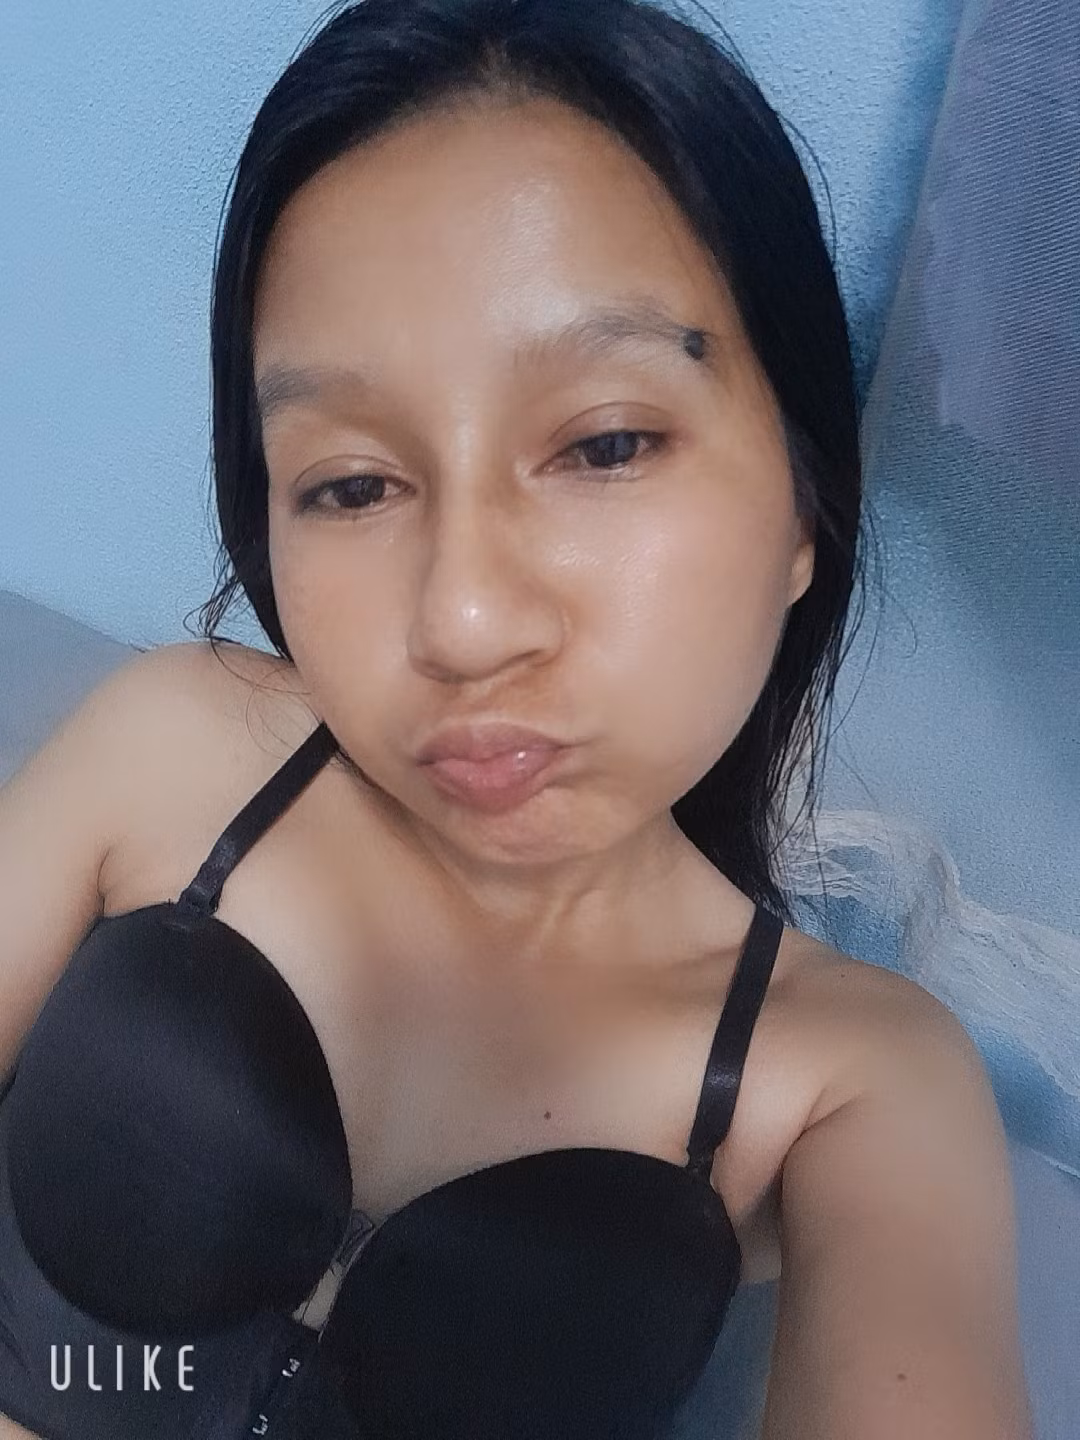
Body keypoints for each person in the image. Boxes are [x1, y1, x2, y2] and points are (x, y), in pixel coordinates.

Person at [0, 0, 1034, 1436]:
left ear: (803, 509)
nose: (465, 622)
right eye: (352, 484)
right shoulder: (173, 744)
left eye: (605, 444)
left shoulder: (857, 1081)